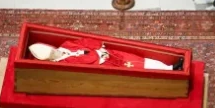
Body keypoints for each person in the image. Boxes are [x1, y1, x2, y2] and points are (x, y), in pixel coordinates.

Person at [28, 39, 184, 70]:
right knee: (138, 67)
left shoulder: (65, 45)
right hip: (106, 64)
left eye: (53, 49)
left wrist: (99, 47)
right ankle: (170, 72)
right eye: (52, 54)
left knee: (138, 59)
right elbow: (84, 65)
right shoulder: (63, 64)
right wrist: (100, 57)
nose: (56, 52)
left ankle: (168, 66)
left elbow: (84, 43)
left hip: (108, 53)